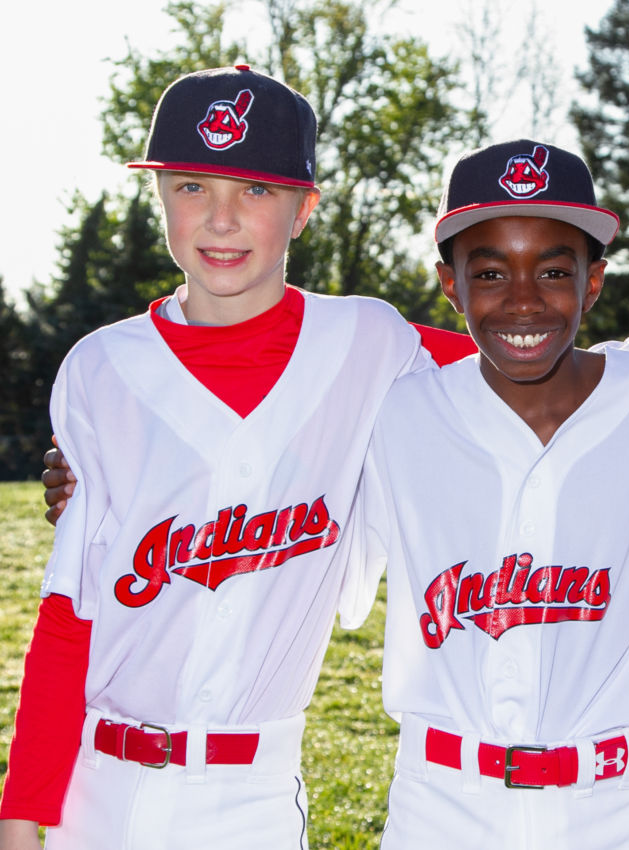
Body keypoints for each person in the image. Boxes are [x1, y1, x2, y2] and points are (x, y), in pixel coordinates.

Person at [0, 65, 456, 850]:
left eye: (255, 192)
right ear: (161, 198)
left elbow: (545, 365)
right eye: (190, 187)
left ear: (304, 210)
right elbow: (69, 613)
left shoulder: (373, 344)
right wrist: (19, 816)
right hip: (100, 788)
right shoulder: (100, 369)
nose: (220, 219)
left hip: (253, 796)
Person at [355, 139, 629, 848]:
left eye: (551, 270)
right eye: (488, 272)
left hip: (601, 811)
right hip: (439, 808)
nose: (522, 299)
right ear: (449, 286)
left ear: (592, 283)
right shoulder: (396, 412)